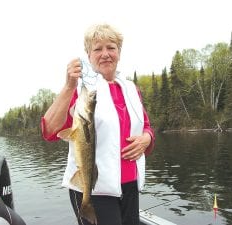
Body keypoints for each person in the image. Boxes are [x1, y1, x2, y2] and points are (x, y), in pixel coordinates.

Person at [41, 23, 155, 225]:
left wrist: (147, 139)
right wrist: (69, 86)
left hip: (130, 185)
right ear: (88, 54)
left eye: (111, 47)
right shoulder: (82, 91)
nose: (105, 54)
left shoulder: (130, 89)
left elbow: (146, 126)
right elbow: (49, 131)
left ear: (119, 52)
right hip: (93, 188)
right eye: (97, 49)